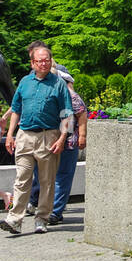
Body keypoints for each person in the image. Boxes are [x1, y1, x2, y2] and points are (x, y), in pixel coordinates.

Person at [0, 43, 72, 236]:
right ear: (32, 63)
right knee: (21, 179)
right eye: (40, 61)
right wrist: (10, 134)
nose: (44, 64)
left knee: (47, 181)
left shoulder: (58, 84)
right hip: (25, 135)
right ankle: (14, 219)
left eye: (47, 60)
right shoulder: (24, 82)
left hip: (49, 136)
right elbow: (16, 109)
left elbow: (66, 113)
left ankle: (42, 218)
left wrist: (63, 137)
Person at [29, 61, 87, 226]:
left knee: (62, 177)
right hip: (48, 142)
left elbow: (81, 114)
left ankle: (55, 212)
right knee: (46, 177)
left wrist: (82, 136)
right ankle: (46, 209)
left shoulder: (69, 94)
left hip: (68, 142)